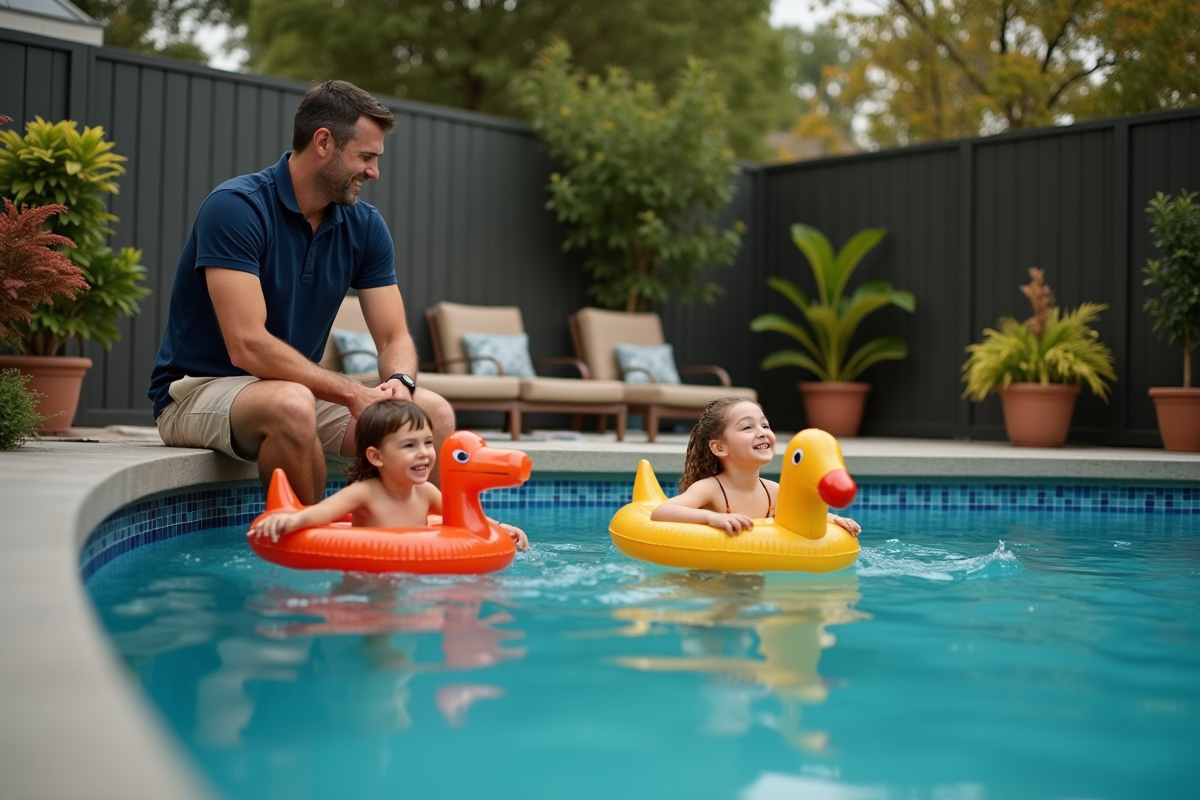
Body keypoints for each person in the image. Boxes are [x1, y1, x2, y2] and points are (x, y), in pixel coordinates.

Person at [148, 79, 454, 505]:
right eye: (365, 156)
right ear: (323, 142)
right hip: (195, 391)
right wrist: (350, 392)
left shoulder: (364, 226)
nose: (374, 171)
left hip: (292, 389)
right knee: (293, 404)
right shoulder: (237, 207)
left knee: (432, 413)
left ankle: (407, 551)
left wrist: (400, 383)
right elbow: (247, 346)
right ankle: (312, 555)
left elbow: (393, 336)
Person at [250, 399, 528, 550]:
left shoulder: (427, 493)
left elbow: (466, 518)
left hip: (417, 569)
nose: (424, 453)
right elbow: (321, 514)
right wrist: (291, 520)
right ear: (376, 456)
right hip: (367, 579)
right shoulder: (364, 493)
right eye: (409, 445)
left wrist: (500, 528)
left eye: (428, 442)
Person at [651, 397, 862, 537]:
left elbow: (800, 513)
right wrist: (712, 518)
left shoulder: (774, 491)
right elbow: (662, 511)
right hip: (713, 573)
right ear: (719, 447)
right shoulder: (711, 489)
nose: (761, 432)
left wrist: (835, 519)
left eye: (765, 425)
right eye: (747, 427)